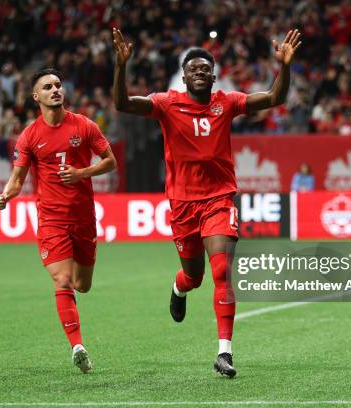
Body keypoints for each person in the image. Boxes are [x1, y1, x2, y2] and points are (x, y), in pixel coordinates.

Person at [112, 28, 301, 378]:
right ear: (183, 76)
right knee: (195, 276)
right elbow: (122, 104)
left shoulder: (226, 102)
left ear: (213, 77)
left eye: (205, 69)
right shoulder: (166, 103)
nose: (199, 72)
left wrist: (284, 67)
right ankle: (178, 286)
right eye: (193, 69)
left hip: (219, 198)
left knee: (221, 273)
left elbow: (275, 97)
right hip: (183, 203)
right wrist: (121, 67)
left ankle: (224, 352)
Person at [0, 68, 116, 374]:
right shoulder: (29, 136)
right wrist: (6, 195)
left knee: (82, 285)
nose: (55, 89)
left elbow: (110, 161)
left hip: (84, 217)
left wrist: (81, 173)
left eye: (58, 85)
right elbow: (17, 179)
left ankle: (76, 331)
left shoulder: (84, 125)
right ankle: (77, 346)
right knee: (62, 280)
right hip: (51, 220)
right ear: (36, 96)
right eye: (48, 87)